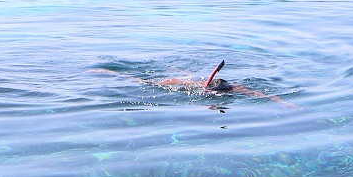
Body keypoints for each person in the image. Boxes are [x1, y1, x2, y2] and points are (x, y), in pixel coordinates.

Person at [95, 61, 300, 108]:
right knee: (149, 82)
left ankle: (176, 66)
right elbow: (149, 83)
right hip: (193, 81)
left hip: (208, 82)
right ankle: (105, 71)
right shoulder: (191, 86)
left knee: (186, 75)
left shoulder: (234, 88)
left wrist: (283, 102)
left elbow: (262, 94)